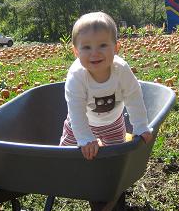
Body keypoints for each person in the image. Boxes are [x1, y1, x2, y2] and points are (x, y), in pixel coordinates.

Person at [60, 11, 153, 160]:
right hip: (79, 123)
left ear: (116, 48)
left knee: (115, 158)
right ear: (76, 52)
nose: (95, 53)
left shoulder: (121, 69)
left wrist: (141, 125)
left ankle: (106, 179)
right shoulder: (76, 75)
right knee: (66, 156)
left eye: (103, 45)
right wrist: (84, 137)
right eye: (86, 47)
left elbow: (133, 97)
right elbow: (76, 108)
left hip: (114, 123)